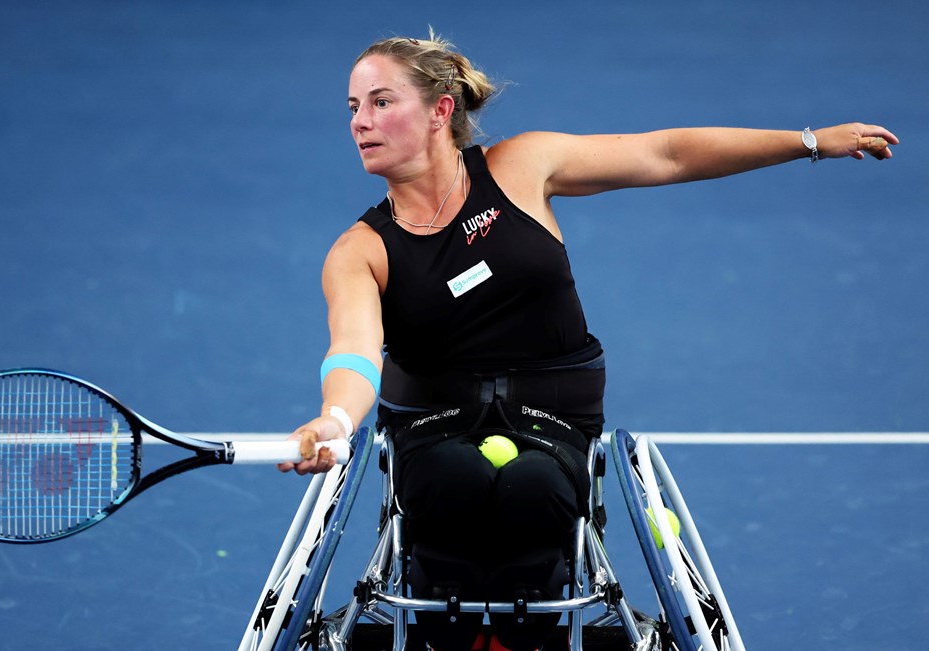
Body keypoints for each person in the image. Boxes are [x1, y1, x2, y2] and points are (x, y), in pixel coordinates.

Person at [279, 31, 897, 651]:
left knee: (535, 490)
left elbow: (667, 155)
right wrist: (334, 420)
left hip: (553, 417)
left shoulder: (520, 167)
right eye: (354, 107)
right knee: (450, 484)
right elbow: (354, 352)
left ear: (441, 109)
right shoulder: (360, 250)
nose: (361, 121)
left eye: (381, 102)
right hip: (437, 425)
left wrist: (810, 142)